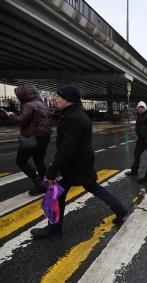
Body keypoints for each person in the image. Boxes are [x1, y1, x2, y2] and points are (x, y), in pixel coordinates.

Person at [30, 86, 128, 239]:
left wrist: (52, 172)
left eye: (59, 97)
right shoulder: (75, 114)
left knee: (55, 195)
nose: (56, 99)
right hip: (80, 162)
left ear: (68, 99)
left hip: (72, 164)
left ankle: (54, 229)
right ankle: (120, 209)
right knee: (90, 188)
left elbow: (67, 149)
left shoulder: (74, 118)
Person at [6, 84, 52, 196]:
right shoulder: (42, 104)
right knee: (39, 160)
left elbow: (21, 121)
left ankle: (39, 183)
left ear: (24, 95)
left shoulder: (28, 105)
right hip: (45, 136)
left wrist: (12, 115)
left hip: (32, 137)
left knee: (21, 161)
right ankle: (46, 183)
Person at [125, 101, 147, 176]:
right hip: (140, 139)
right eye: (139, 108)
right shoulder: (139, 115)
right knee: (136, 154)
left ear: (145, 108)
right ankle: (134, 171)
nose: (140, 109)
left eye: (142, 108)